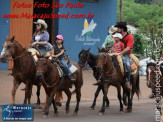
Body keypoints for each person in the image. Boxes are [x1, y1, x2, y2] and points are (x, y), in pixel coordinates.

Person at [115, 22, 134, 90]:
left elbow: (128, 47)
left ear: (121, 29)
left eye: (118, 28)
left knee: (127, 64)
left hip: (126, 54)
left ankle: (128, 81)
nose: (117, 29)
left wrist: (121, 53)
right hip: (116, 52)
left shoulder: (130, 37)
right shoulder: (117, 36)